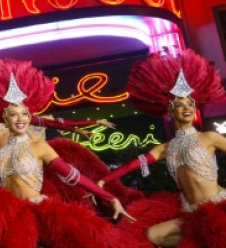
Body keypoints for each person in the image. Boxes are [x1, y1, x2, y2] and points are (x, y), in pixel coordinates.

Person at [0, 56, 135, 248]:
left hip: (39, 210)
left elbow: (72, 174)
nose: (20, 119)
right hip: (6, 210)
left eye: (24, 114)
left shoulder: (38, 145)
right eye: (14, 114)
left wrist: (109, 196)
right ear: (5, 118)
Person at [97, 49, 226, 247]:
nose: (187, 108)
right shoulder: (165, 148)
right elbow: (133, 164)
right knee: (153, 235)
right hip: (191, 213)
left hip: (218, 206)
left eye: (190, 103)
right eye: (180, 104)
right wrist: (104, 180)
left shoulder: (209, 137)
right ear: (169, 110)